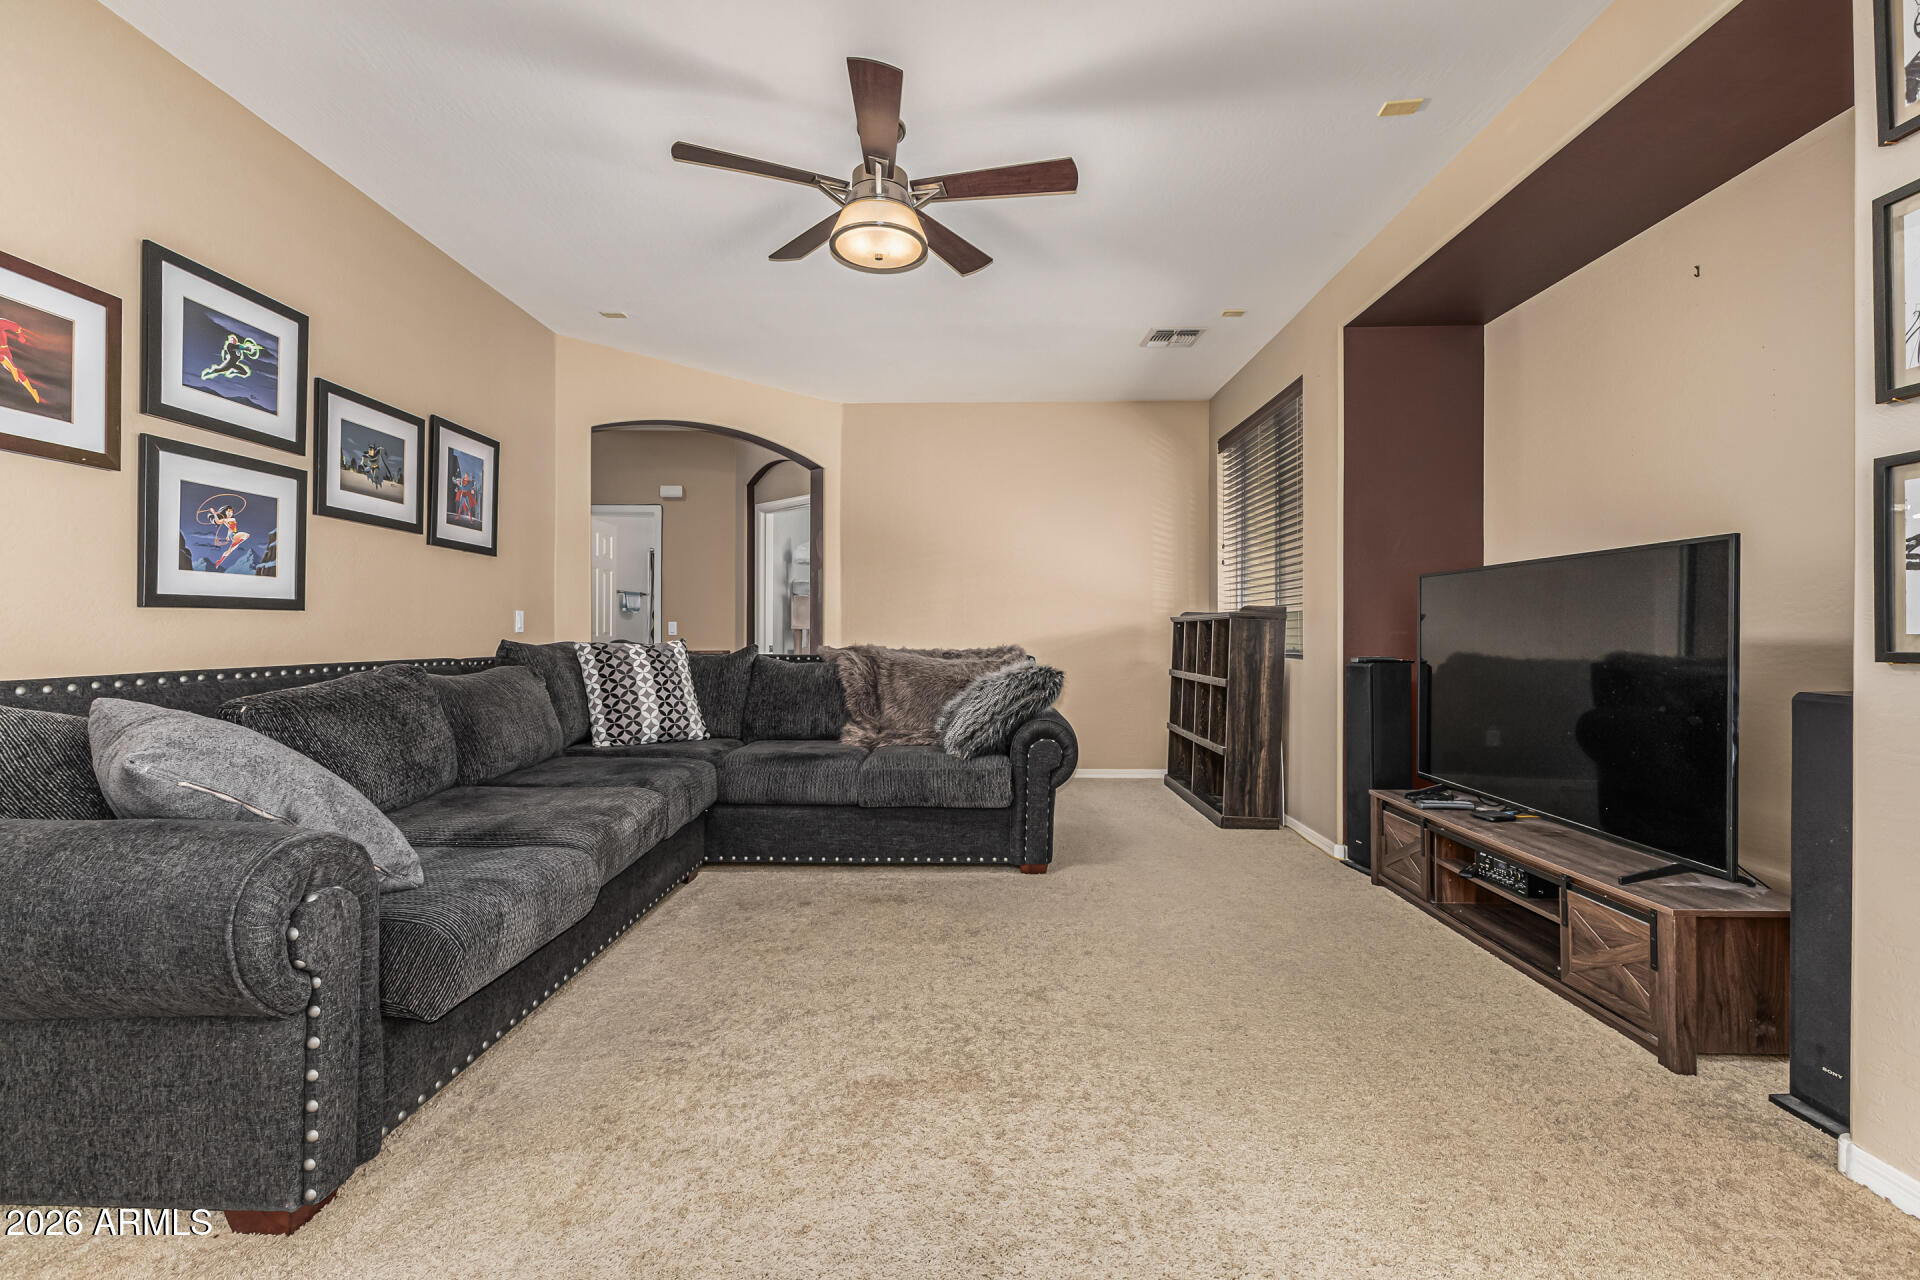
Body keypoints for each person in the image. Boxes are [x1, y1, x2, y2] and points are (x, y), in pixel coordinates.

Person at [0, 317, 44, 405]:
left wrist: (21, 337)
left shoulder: (1, 322)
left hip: (3, 351)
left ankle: (12, 368)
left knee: (14, 370)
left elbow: (15, 326)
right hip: (3, 356)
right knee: (18, 375)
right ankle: (32, 391)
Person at [208, 505, 250, 570]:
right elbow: (219, 522)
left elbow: (231, 527)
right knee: (246, 535)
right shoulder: (226, 520)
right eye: (228, 511)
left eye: (231, 511)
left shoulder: (232, 519)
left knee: (229, 551)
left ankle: (219, 561)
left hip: (234, 535)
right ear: (225, 512)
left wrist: (227, 536)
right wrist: (214, 513)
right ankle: (237, 542)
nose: (230, 512)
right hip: (234, 535)